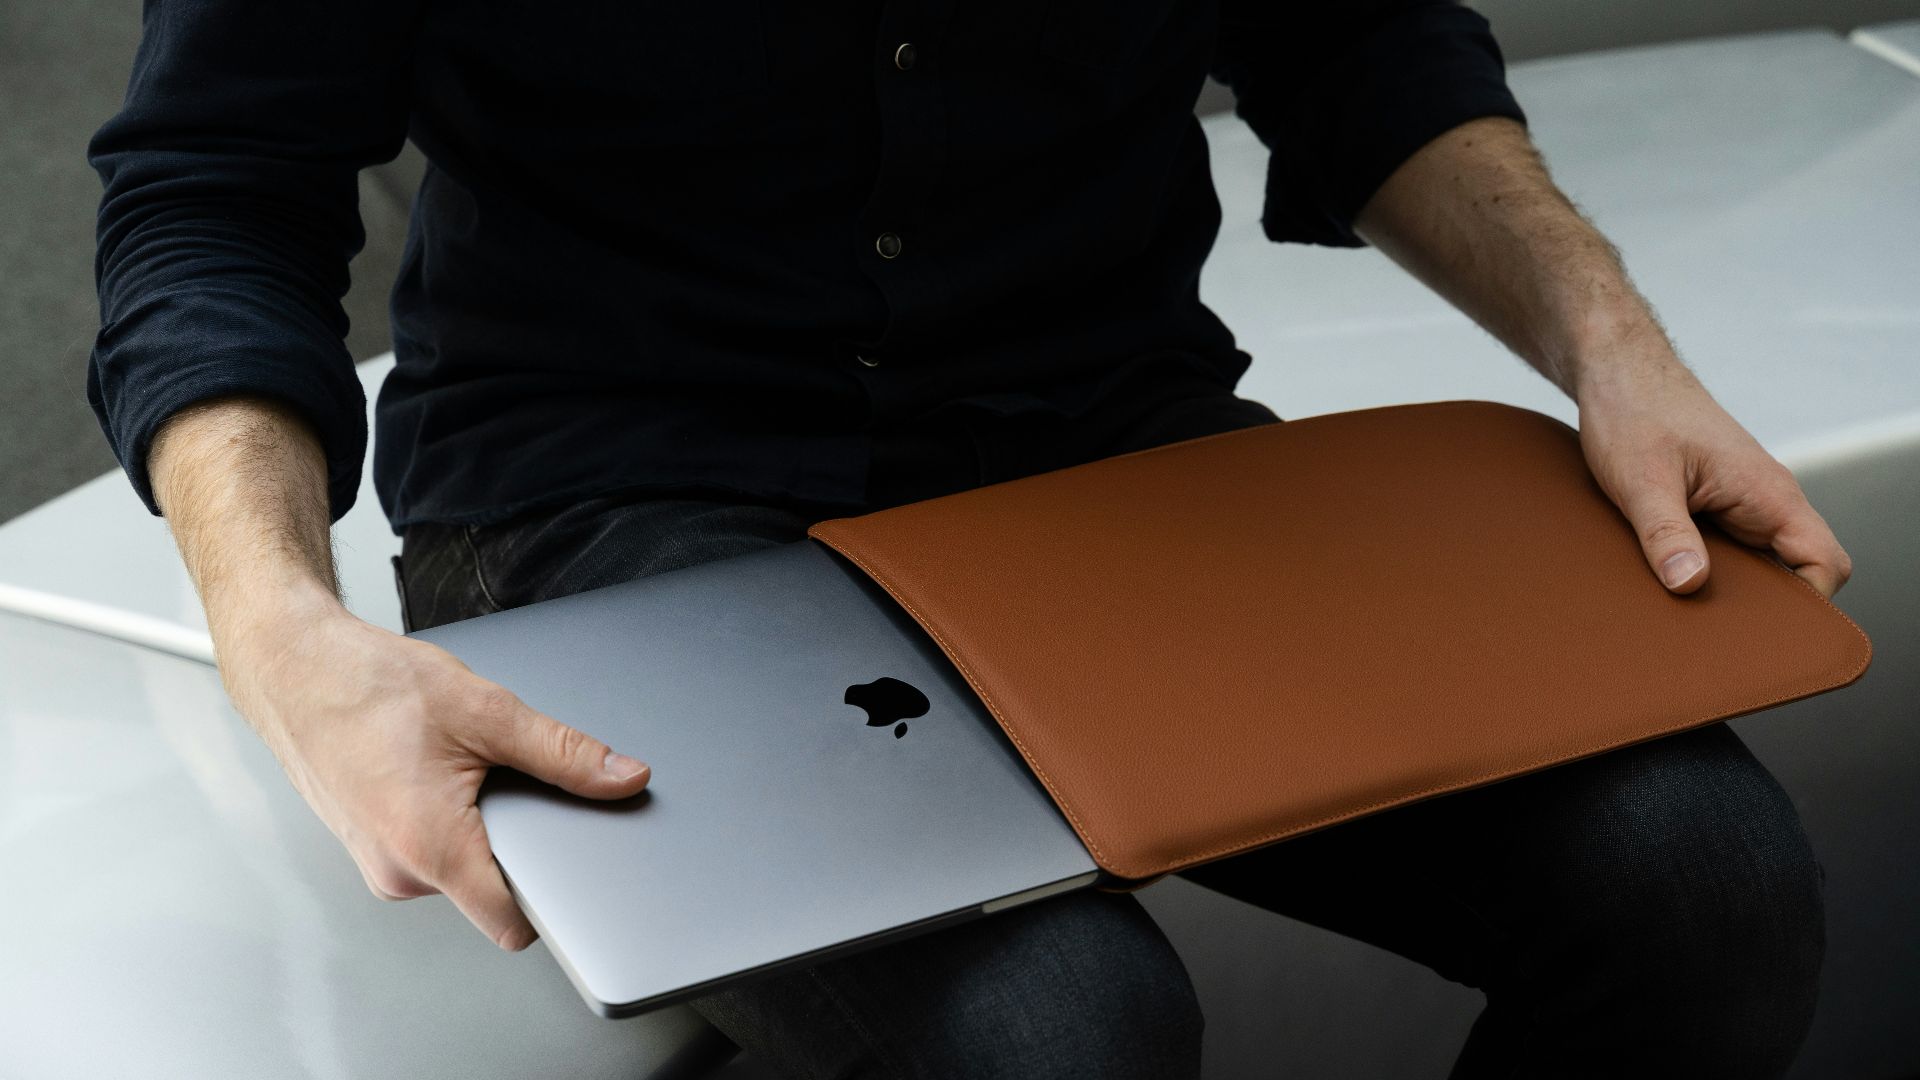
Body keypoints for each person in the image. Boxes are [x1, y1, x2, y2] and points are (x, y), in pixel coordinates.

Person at [89, 1, 1851, 1075]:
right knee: (1057, 1034)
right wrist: (281, 640)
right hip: (614, 478)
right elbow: (212, 189)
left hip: (1100, 441)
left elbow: (1355, 35)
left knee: (1709, 890)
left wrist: (1614, 347)